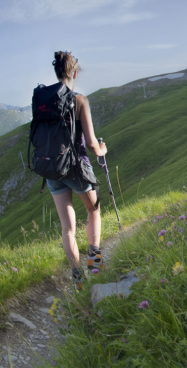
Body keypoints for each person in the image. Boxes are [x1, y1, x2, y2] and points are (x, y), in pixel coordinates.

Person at [47, 51, 108, 290]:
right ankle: (95, 262)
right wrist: (102, 150)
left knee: (68, 228)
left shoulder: (44, 100)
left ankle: (77, 278)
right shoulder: (79, 100)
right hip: (75, 168)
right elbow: (92, 145)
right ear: (73, 73)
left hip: (52, 168)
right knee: (93, 209)